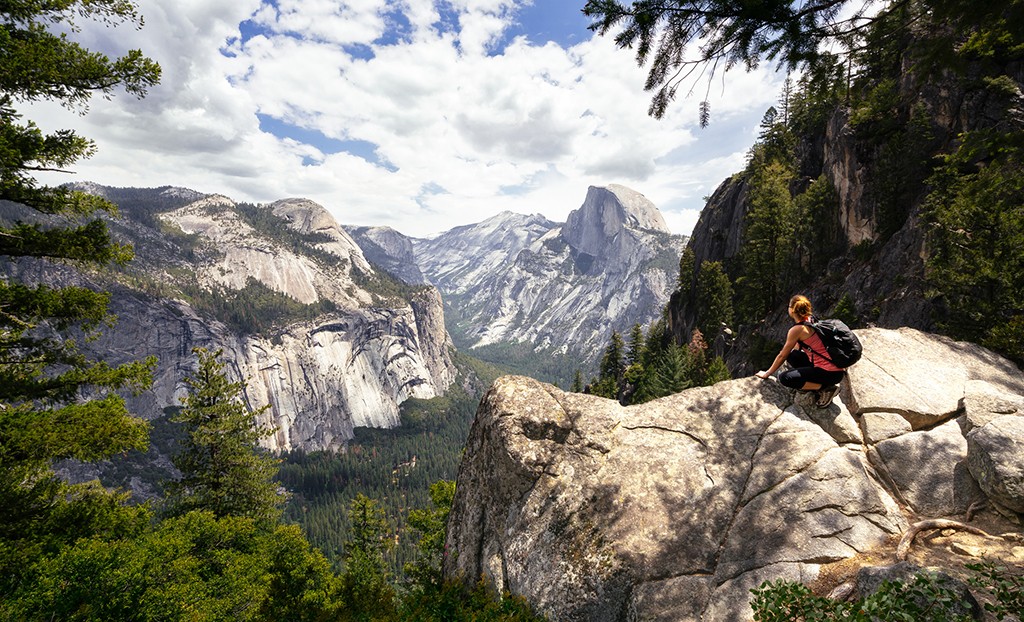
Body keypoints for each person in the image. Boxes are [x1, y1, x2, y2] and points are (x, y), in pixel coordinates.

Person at [755, 294, 846, 407]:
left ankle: (826, 388)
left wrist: (767, 373)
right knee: (793, 355)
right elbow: (797, 349)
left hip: (829, 374)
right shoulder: (811, 319)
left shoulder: (797, 330)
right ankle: (812, 382)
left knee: (785, 378)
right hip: (835, 368)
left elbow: (782, 355)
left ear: (792, 310)